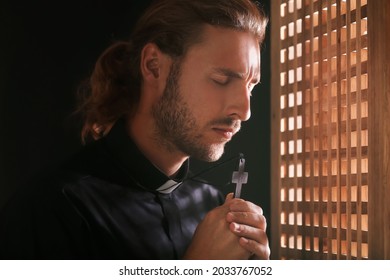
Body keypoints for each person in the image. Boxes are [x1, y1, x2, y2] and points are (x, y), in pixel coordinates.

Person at [0, 0, 269, 260]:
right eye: (221, 80)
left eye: (250, 86)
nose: (244, 111)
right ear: (154, 66)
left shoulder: (213, 206)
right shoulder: (53, 210)